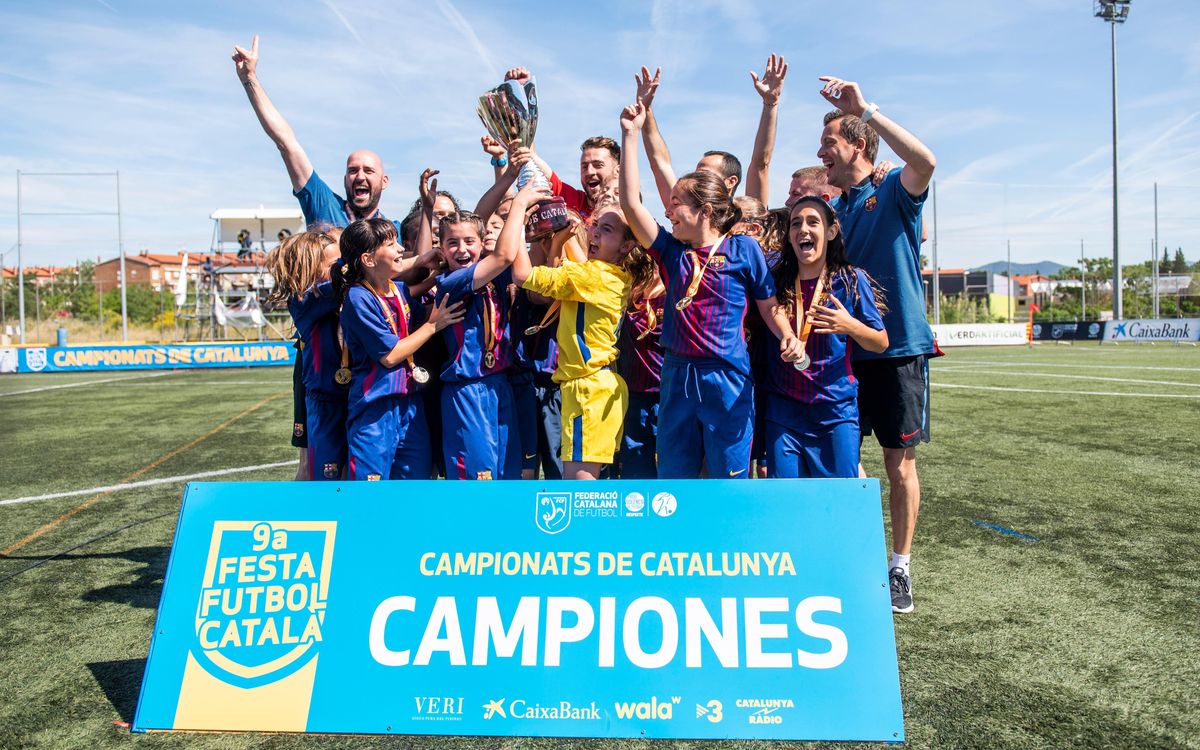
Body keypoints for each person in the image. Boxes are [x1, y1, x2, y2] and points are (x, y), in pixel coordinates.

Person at [618, 99, 803, 478]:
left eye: (676, 205)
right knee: (675, 477)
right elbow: (630, 205)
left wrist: (788, 335)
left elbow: (768, 306)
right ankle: (679, 541)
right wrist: (629, 135)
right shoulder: (672, 252)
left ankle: (728, 541)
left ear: (704, 210)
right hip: (678, 373)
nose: (668, 213)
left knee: (729, 476)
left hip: (727, 375)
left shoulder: (742, 248)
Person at [816, 75, 937, 614]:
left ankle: (899, 567)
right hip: (843, 352)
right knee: (845, 462)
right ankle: (859, 555)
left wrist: (867, 109)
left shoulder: (892, 190)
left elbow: (927, 162)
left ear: (859, 145)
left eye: (830, 144)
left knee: (899, 465)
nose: (822, 154)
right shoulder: (834, 211)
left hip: (899, 350)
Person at [509, 185, 656, 480]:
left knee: (580, 485)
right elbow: (563, 274)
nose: (595, 234)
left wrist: (518, 210)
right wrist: (560, 241)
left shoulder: (593, 276)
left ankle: (588, 530)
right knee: (584, 481)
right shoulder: (604, 274)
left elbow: (522, 276)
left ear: (627, 246)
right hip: (594, 386)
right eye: (596, 227)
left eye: (608, 230)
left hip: (589, 389)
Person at [765, 197, 887, 478]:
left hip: (835, 411)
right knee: (786, 502)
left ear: (831, 232)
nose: (803, 229)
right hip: (784, 413)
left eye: (812, 222)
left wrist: (850, 326)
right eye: (795, 224)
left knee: (837, 502)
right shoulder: (775, 280)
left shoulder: (850, 280)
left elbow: (880, 342)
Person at [334, 218, 463, 480]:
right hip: (375, 408)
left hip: (409, 403)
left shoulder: (396, 289)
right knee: (370, 495)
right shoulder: (358, 297)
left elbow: (423, 311)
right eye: (391, 245)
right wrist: (432, 326)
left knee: (413, 487)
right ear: (368, 260)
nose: (401, 250)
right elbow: (390, 356)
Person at [232, 35, 398, 231]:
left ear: (384, 181)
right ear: (345, 179)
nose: (360, 176)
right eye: (353, 170)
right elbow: (286, 143)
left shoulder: (395, 232)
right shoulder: (325, 206)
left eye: (369, 171)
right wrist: (249, 79)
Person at [434, 210, 522, 479]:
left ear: (482, 242)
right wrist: (519, 203)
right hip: (466, 390)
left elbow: (523, 269)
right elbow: (504, 255)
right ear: (441, 249)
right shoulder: (449, 281)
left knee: (508, 476)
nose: (462, 249)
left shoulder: (494, 277)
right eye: (452, 243)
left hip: (499, 384)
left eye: (469, 241)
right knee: (476, 481)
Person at [265, 231, 345, 480]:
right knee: (317, 472)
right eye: (335, 264)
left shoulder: (329, 294)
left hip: (347, 393)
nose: (342, 269)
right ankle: (304, 518)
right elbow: (352, 276)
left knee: (346, 472)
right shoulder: (306, 298)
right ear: (310, 269)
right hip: (322, 396)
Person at [501, 68, 619, 221]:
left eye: (598, 164)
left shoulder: (633, 217)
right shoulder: (573, 201)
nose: (589, 172)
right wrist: (516, 95)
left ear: (618, 171)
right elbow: (529, 154)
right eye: (584, 166)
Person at [634, 66, 743, 211]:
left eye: (703, 173)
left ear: (731, 181)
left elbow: (761, 165)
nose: (695, 177)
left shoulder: (741, 220)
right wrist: (646, 110)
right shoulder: (684, 208)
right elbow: (660, 163)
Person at [615, 259, 666, 479]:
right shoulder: (626, 294)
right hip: (634, 395)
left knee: (675, 474)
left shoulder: (678, 291)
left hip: (671, 397)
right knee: (636, 475)